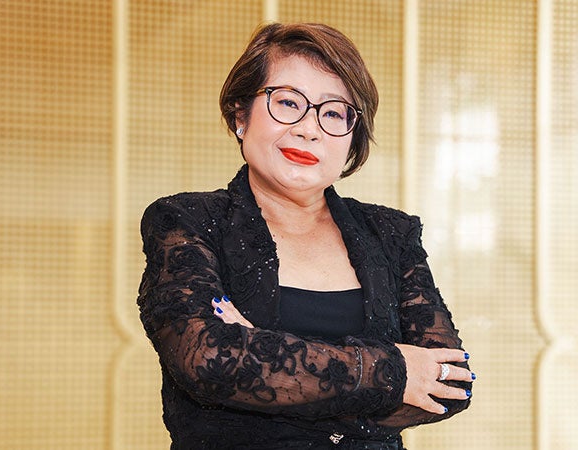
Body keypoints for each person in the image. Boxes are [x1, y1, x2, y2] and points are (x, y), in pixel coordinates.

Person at [137, 22, 474, 450]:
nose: (308, 129)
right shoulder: (187, 220)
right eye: (287, 102)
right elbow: (208, 360)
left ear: (352, 136)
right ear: (241, 115)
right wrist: (395, 371)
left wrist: (264, 359)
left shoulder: (392, 234)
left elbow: (451, 383)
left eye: (333, 113)